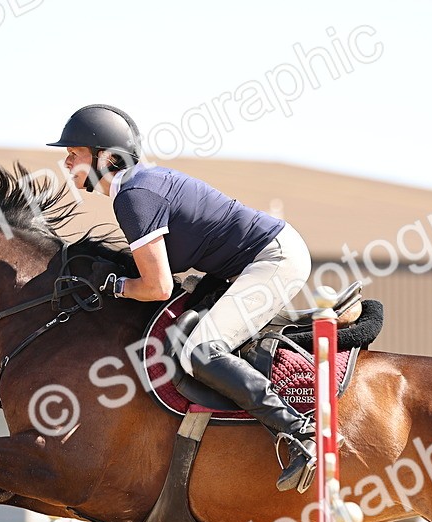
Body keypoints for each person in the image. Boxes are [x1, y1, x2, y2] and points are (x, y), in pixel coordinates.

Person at [48, 104, 317, 492]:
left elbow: (157, 288)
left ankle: (300, 431)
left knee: (201, 351)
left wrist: (112, 285)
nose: (67, 161)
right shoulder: (138, 187)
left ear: (105, 157)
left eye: (74, 153)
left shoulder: (133, 197)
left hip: (272, 258)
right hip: (254, 258)